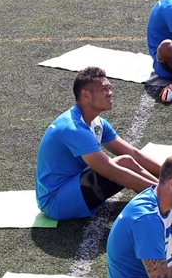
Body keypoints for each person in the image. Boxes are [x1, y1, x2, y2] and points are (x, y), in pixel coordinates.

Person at [35, 67, 161, 220]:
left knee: (127, 160)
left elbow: (134, 154)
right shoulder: (74, 128)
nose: (110, 93)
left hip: (72, 186)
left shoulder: (96, 123)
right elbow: (111, 171)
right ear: (86, 95)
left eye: (109, 88)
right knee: (123, 164)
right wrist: (167, 193)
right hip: (55, 202)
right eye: (104, 89)